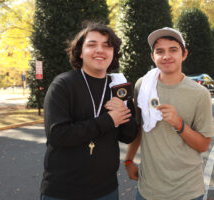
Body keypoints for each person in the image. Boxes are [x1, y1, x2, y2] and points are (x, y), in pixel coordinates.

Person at [40, 22, 138, 200]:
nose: (100, 50)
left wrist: (123, 111)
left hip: (107, 190)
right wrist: (109, 120)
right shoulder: (63, 84)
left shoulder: (118, 86)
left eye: (107, 46)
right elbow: (58, 135)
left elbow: (129, 135)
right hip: (63, 191)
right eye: (92, 45)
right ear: (80, 52)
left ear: (113, 53)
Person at [124, 27, 214, 200]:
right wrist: (128, 160)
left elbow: (203, 145)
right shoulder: (143, 85)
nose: (166, 56)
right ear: (152, 56)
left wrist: (179, 124)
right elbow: (140, 127)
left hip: (187, 191)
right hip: (147, 189)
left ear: (184, 54)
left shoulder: (200, 93)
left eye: (173, 50)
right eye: (160, 51)